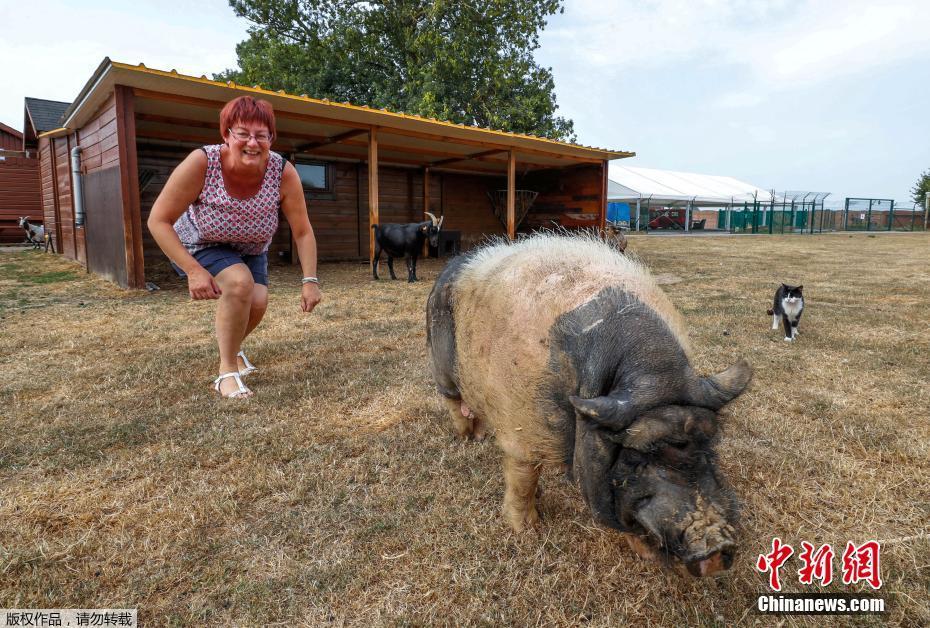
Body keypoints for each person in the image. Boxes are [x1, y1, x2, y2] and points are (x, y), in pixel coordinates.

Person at [148, 95, 322, 398]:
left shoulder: (283, 172)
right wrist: (193, 270)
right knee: (240, 283)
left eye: (261, 135)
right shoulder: (203, 162)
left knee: (257, 301)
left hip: (251, 249)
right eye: (242, 133)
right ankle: (226, 372)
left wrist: (310, 280)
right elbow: (158, 220)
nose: (252, 143)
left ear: (271, 139)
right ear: (226, 134)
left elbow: (303, 231)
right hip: (199, 244)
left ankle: (233, 348)